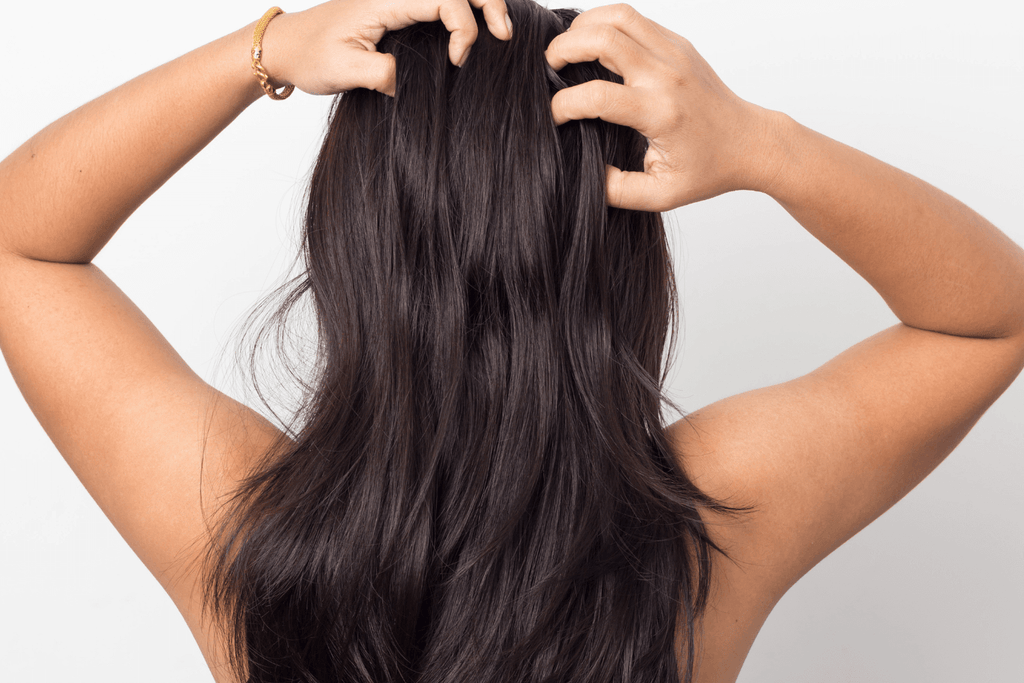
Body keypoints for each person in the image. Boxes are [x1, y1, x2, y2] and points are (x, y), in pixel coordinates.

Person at [1, 1, 1021, 681]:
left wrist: (263, 50)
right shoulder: (697, 537)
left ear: (352, 233)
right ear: (616, 251)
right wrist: (760, 144)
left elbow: (19, 246)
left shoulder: (243, 530)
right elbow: (990, 315)